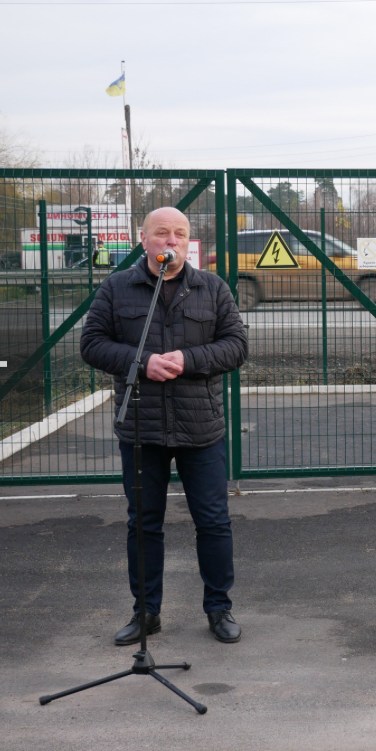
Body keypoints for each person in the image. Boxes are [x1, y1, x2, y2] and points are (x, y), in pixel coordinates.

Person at [81, 207, 249, 646]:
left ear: (188, 242)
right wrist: (142, 362)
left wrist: (188, 360)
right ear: (144, 240)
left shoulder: (212, 288)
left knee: (213, 521)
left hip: (201, 427)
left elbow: (236, 346)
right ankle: (146, 612)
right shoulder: (117, 288)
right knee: (143, 523)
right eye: (161, 233)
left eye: (179, 234)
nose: (170, 241)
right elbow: (92, 344)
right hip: (142, 428)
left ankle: (219, 607)